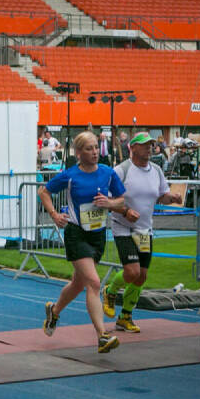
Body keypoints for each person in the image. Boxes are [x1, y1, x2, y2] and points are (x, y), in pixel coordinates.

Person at [38, 131, 126, 354]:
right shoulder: (70, 175)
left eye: (96, 147)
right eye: (89, 148)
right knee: (94, 283)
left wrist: (109, 203)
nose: (95, 152)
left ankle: (54, 311)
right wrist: (54, 214)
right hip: (76, 234)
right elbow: (44, 191)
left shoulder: (108, 173)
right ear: (78, 153)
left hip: (97, 234)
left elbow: (122, 200)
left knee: (79, 284)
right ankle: (102, 336)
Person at [101, 133, 183, 333]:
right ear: (133, 148)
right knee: (132, 271)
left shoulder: (156, 170)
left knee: (141, 276)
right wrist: (125, 211)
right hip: (123, 227)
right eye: (145, 145)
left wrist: (171, 197)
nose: (150, 148)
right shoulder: (121, 171)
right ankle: (110, 291)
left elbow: (161, 195)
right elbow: (106, 200)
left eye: (152, 145)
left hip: (145, 229)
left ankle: (125, 316)